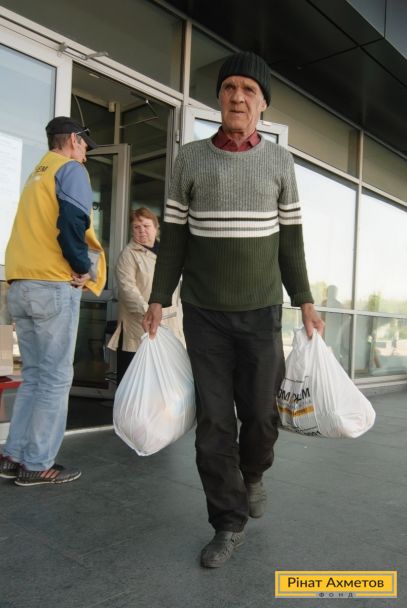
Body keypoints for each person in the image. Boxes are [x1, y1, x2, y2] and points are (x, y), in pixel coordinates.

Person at [143, 51, 324, 568]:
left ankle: (254, 473)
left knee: (262, 417)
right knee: (214, 426)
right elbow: (174, 239)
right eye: (229, 88)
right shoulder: (190, 159)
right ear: (219, 98)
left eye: (248, 89)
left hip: (262, 313)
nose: (237, 97)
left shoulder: (279, 162)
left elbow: (291, 242)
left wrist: (304, 300)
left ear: (263, 103)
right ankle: (227, 522)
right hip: (205, 316)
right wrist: (158, 297)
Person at [0, 116, 106, 486]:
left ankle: (14, 455)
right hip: (50, 284)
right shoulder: (70, 170)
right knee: (56, 378)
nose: (86, 154)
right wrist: (82, 267)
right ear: (74, 140)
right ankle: (38, 463)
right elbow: (72, 223)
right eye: (85, 146)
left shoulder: (37, 174)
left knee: (33, 376)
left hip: (21, 284)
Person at [108, 207, 181, 384]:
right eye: (136, 227)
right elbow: (128, 291)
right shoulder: (128, 255)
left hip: (170, 325)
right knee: (136, 381)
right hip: (140, 326)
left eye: (146, 226)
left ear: (156, 227)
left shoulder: (167, 253)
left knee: (164, 380)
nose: (142, 231)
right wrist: (150, 314)